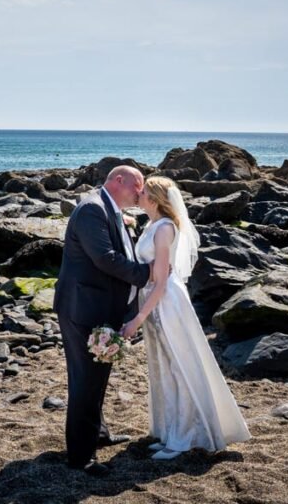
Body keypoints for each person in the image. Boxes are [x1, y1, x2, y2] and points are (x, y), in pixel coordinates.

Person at [121, 177, 251, 460]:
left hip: (166, 303)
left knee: (179, 367)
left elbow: (162, 279)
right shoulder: (151, 224)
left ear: (154, 200)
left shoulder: (164, 228)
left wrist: (138, 318)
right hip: (154, 302)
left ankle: (183, 440)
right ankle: (172, 433)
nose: (137, 196)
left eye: (142, 193)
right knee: (164, 368)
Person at [53, 165, 151, 477]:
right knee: (85, 381)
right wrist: (148, 275)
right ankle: (81, 457)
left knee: (98, 376)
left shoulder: (110, 208)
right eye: (137, 188)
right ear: (118, 181)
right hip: (83, 309)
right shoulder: (91, 210)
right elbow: (105, 258)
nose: (139, 195)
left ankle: (98, 433)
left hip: (99, 307)